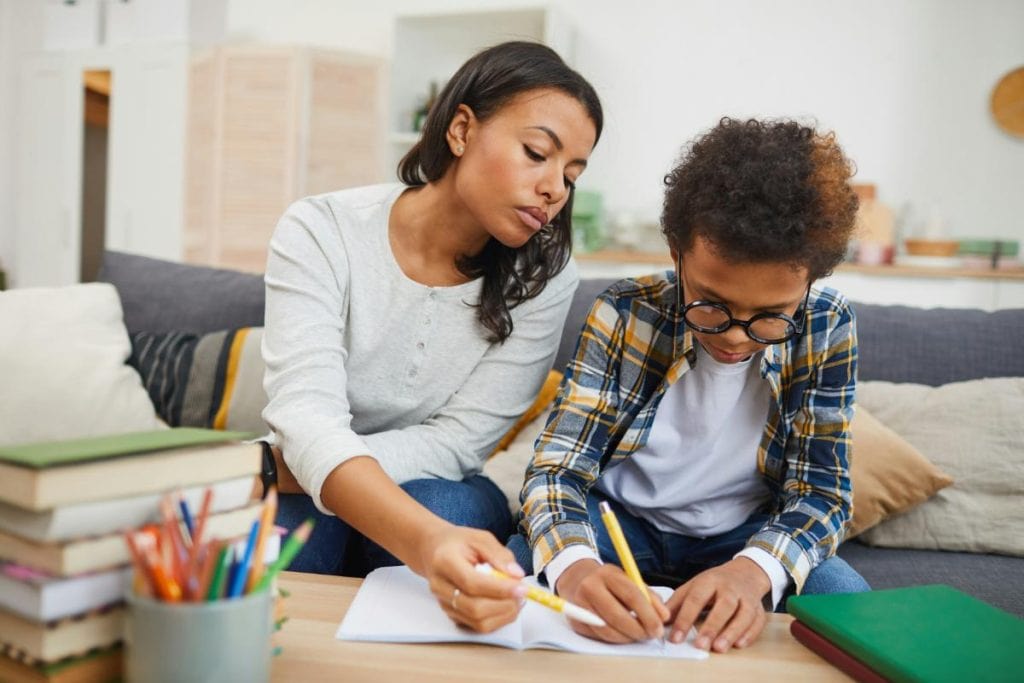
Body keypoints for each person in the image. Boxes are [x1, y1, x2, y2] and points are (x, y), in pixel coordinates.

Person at [259, 41, 602, 633]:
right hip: (305, 472)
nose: (555, 189)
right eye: (537, 153)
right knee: (295, 538)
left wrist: (293, 468)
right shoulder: (321, 230)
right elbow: (305, 412)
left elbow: (459, 443)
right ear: (462, 129)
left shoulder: (545, 278)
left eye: (570, 175)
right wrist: (323, 471)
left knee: (436, 507)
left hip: (437, 485)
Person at [510, 117, 870, 651]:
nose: (736, 339)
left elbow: (821, 494)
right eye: (712, 304)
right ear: (677, 252)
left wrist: (752, 573)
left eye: (770, 316)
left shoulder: (826, 324)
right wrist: (577, 569)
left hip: (743, 538)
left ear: (811, 282)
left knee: (846, 598)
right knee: (516, 573)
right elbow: (557, 470)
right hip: (619, 525)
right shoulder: (625, 311)